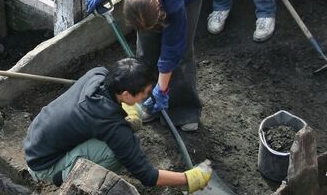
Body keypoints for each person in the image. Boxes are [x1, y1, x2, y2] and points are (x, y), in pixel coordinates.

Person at [23, 58, 212, 192]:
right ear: (126, 94)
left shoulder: (97, 74)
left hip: (36, 139)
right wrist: (189, 179)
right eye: (145, 92)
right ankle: (63, 176)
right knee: (115, 153)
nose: (148, 96)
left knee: (135, 112)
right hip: (43, 165)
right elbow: (146, 175)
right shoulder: (111, 125)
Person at [85, 0, 206, 132]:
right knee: (146, 49)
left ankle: (183, 111)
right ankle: (149, 100)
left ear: (158, 5)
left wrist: (163, 89)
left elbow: (172, 48)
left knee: (181, 55)